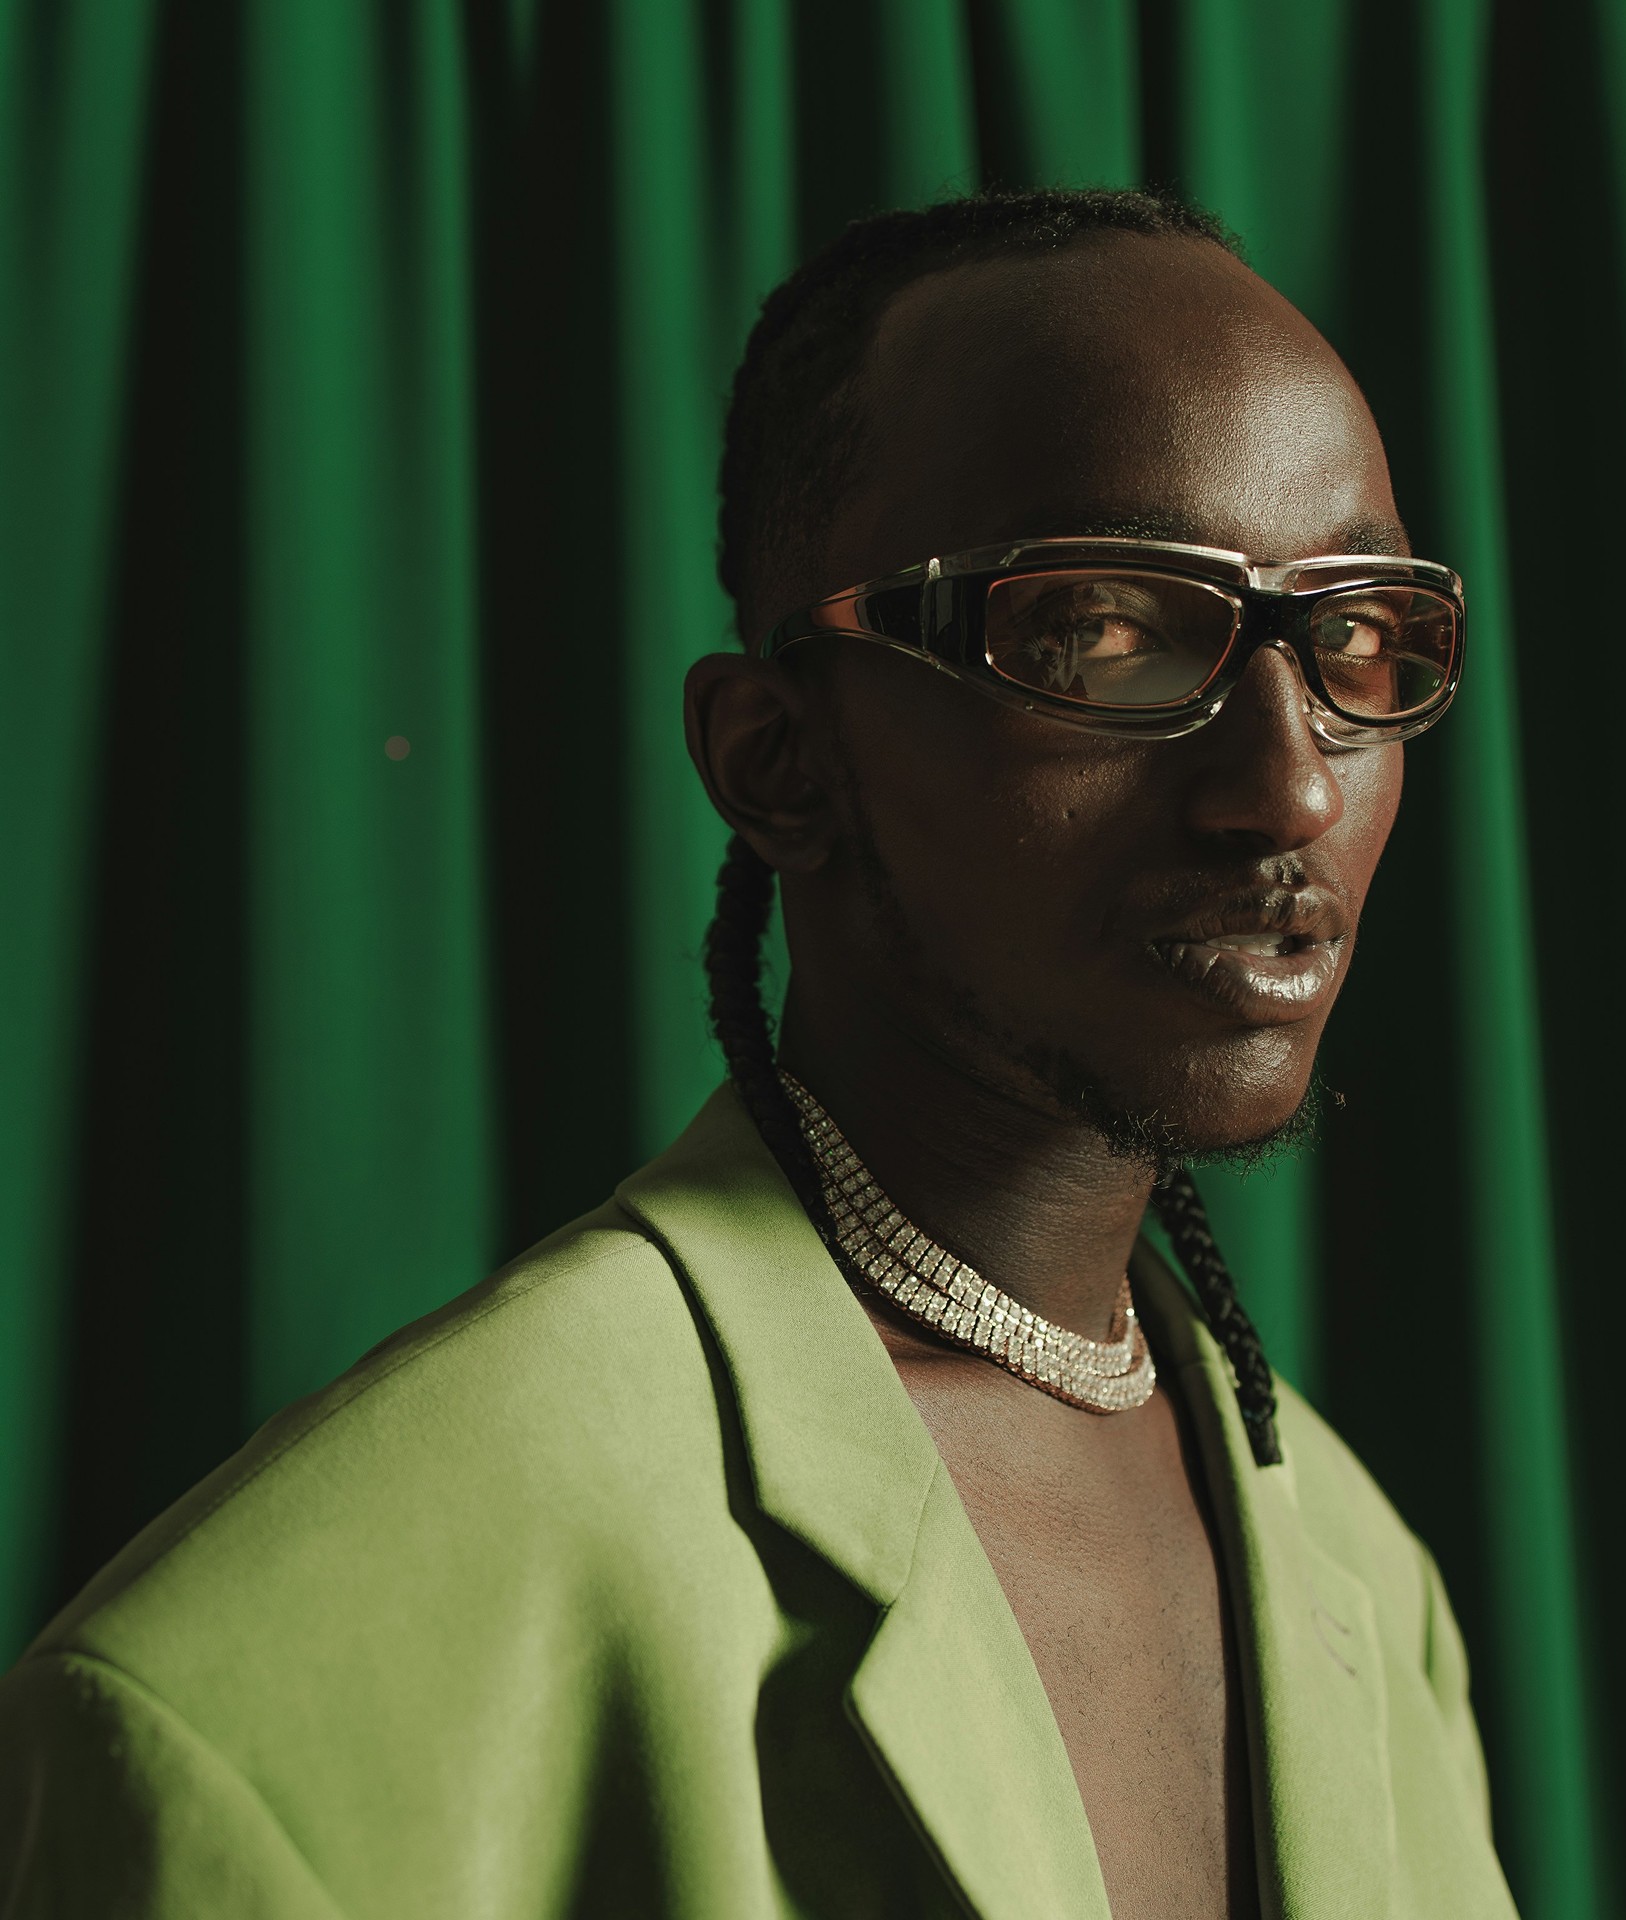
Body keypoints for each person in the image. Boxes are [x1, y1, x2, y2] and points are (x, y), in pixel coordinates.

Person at [0, 189, 1516, 1919]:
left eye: (1355, 640)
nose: (1293, 786)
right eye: (1101, 631)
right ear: (778, 759)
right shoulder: (254, 1705)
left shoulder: (1359, 1580)